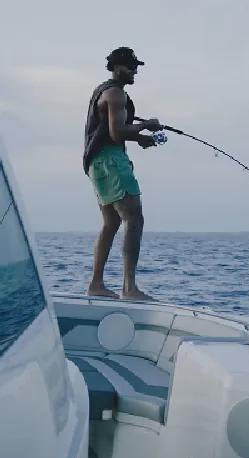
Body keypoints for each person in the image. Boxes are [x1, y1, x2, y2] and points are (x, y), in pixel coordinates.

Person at [83, 46, 163, 300]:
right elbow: (117, 132)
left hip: (98, 162)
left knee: (111, 223)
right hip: (111, 160)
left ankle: (96, 285)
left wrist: (139, 138)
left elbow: (111, 131)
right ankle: (129, 288)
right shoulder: (115, 94)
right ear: (117, 67)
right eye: (131, 66)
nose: (135, 71)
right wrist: (146, 125)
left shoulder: (102, 91)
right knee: (134, 219)